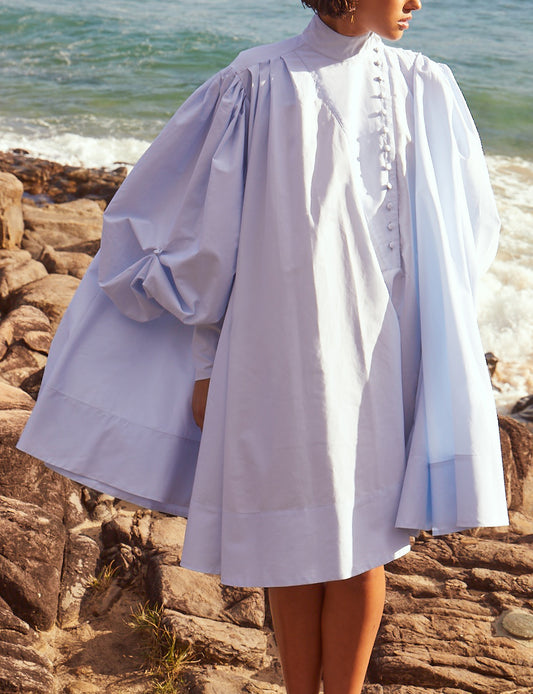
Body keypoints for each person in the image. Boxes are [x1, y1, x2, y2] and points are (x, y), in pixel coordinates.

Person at [17, 0, 510, 692]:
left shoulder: (423, 83)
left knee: (363, 544)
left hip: (382, 359)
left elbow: (463, 232)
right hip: (280, 358)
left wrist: (436, 352)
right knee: (292, 540)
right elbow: (203, 240)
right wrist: (206, 365)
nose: (417, 2)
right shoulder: (257, 82)